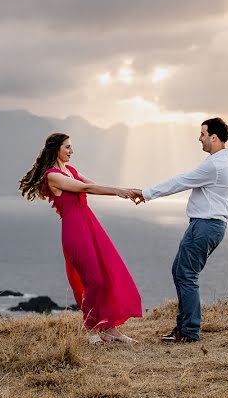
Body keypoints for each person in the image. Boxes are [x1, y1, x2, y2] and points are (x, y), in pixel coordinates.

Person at [19, 132, 142, 344]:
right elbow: (85, 188)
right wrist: (120, 191)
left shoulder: (71, 171)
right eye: (67, 147)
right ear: (56, 148)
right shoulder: (52, 175)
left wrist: (130, 191)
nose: (71, 151)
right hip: (75, 231)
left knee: (106, 275)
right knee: (93, 280)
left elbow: (93, 184)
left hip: (90, 226)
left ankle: (110, 329)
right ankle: (89, 329)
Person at [131, 118, 228, 343]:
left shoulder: (215, 164)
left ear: (214, 137)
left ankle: (188, 331)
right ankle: (184, 328)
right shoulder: (220, 161)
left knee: (186, 274)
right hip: (203, 224)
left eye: (202, 134)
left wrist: (146, 193)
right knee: (180, 271)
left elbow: (181, 181)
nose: (200, 138)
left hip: (205, 225)